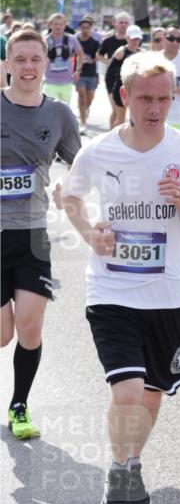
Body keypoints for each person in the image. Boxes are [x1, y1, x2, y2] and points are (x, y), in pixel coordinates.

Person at [63, 52, 180, 504]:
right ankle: (117, 472)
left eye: (163, 98)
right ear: (124, 96)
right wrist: (90, 234)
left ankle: (132, 462)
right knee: (128, 388)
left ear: (173, 97)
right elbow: (71, 196)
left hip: (167, 293)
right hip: (111, 289)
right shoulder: (99, 151)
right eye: (145, 98)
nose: (155, 108)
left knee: (152, 392)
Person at [1, 30, 80, 440]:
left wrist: (71, 186)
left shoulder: (60, 115)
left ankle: (19, 406)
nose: (28, 67)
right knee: (3, 334)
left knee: (30, 328)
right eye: (20, 59)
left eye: (35, 59)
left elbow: (81, 164)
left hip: (32, 236)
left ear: (46, 63)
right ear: (7, 63)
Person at [97, 11, 131, 128]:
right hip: (112, 78)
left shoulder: (132, 40)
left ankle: (113, 132)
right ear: (115, 23)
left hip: (127, 78)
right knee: (116, 109)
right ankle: (113, 133)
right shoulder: (109, 40)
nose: (123, 25)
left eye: (126, 22)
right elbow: (98, 55)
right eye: (121, 22)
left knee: (119, 110)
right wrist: (109, 62)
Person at [42, 13, 84, 105]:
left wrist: (78, 70)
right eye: (55, 24)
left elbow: (80, 54)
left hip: (67, 82)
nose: (58, 27)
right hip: (50, 82)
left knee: (64, 109)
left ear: (65, 25)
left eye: (61, 24)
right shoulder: (45, 40)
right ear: (50, 25)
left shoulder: (71, 39)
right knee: (52, 108)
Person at [109, 25, 143, 127]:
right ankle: (112, 134)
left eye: (137, 39)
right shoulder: (121, 52)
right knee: (121, 120)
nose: (135, 42)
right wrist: (110, 90)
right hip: (121, 89)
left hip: (136, 89)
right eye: (133, 39)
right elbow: (110, 72)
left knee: (135, 118)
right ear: (127, 38)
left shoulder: (142, 53)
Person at [74, 15, 101, 134]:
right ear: (79, 29)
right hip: (80, 74)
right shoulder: (76, 42)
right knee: (82, 97)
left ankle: (85, 109)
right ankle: (83, 123)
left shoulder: (95, 43)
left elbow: (100, 56)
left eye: (87, 28)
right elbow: (71, 56)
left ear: (91, 29)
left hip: (92, 74)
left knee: (90, 99)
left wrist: (93, 60)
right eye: (83, 28)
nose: (85, 30)